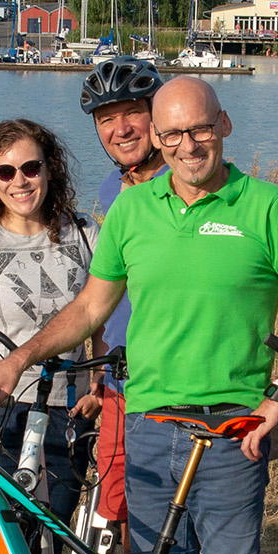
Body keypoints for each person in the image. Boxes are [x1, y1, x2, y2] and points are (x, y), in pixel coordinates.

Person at [0, 77, 278, 554]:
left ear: (223, 126)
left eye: (198, 129)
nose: (186, 145)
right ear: (158, 137)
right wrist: (17, 359)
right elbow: (92, 307)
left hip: (233, 427)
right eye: (171, 134)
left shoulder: (268, 206)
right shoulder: (132, 210)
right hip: (147, 423)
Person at [0, 118, 98, 518]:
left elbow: (103, 317)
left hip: (67, 411)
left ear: (49, 169)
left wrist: (100, 385)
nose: (19, 181)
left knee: (51, 537)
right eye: (6, 172)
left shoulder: (85, 232)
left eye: (31, 168)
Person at [78, 55, 168, 529]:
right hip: (118, 378)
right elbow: (110, 290)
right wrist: (99, 364)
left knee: (171, 517)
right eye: (106, 119)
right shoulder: (112, 188)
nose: (121, 128)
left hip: (175, 381)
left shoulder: (185, 184)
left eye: (132, 112)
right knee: (115, 511)